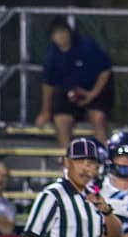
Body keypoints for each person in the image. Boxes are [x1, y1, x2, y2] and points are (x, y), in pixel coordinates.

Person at [35, 17, 113, 149]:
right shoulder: (51, 56)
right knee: (61, 120)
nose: (60, 37)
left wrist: (92, 94)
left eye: (63, 32)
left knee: (98, 118)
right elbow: (48, 84)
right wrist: (45, 111)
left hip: (95, 93)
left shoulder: (87, 46)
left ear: (69, 32)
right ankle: (68, 161)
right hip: (70, 95)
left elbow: (105, 70)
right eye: (56, 34)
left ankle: (104, 159)